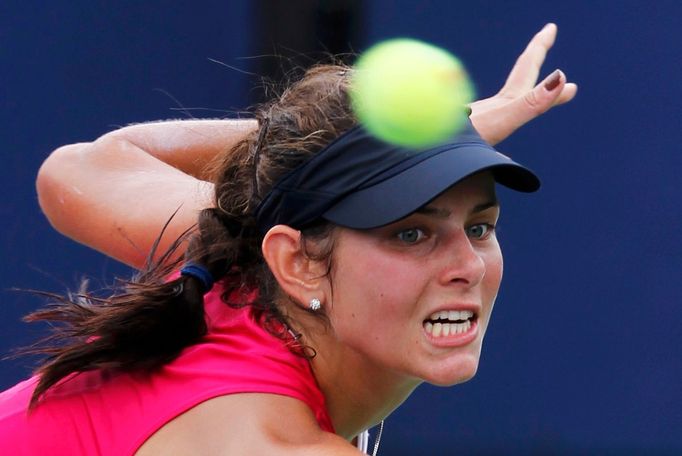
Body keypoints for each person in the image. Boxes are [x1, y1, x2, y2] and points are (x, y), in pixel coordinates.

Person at [0, 24, 576, 455]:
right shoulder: (273, 442)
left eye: (479, 227)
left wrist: (410, 141)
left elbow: (81, 169)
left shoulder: (248, 245)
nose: (468, 266)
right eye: (411, 233)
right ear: (296, 263)